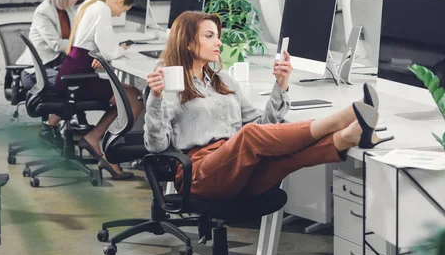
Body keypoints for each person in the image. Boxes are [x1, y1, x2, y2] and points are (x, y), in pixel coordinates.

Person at [144, 11, 389, 201]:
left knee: (287, 157)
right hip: (199, 174)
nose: (218, 41)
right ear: (187, 42)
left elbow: (266, 127)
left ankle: (349, 135)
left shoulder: (224, 82)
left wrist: (280, 85)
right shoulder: (170, 87)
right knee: (248, 136)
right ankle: (342, 118)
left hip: (238, 166)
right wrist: (155, 97)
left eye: (217, 35)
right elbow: (156, 146)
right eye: (209, 36)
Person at [55, 0, 144, 180]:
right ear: (120, 1)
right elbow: (109, 51)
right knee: (134, 100)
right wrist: (122, 49)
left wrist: (101, 54)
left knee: (129, 92)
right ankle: (110, 154)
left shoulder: (91, 4)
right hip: (78, 79)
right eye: (123, 10)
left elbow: (95, 45)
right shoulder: (102, 9)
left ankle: (93, 139)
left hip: (74, 73)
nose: (119, 15)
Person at [16, 0, 83, 140]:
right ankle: (50, 127)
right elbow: (57, 44)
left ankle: (55, 125)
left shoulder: (69, 10)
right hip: (36, 72)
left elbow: (78, 36)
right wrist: (82, 46)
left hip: (55, 68)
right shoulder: (43, 12)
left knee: (81, 80)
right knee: (75, 84)